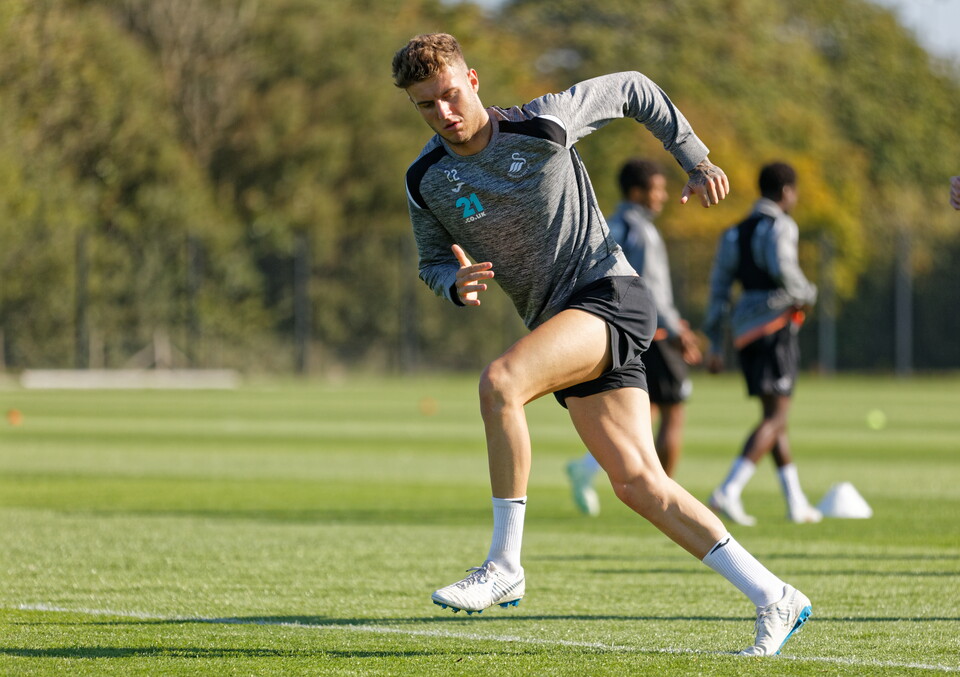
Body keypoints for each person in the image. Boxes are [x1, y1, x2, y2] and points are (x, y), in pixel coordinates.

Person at [393, 33, 811, 656]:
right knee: (639, 484)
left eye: (450, 94)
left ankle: (504, 565)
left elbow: (635, 88)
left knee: (501, 383)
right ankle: (775, 595)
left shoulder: (544, 123)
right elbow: (431, 260)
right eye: (426, 105)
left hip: (610, 295)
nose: (444, 112)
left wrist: (694, 158)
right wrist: (452, 283)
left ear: (472, 80)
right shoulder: (426, 179)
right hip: (561, 324)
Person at [566, 159, 702, 516]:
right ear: (638, 192)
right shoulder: (643, 231)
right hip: (652, 330)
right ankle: (665, 505)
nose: (663, 196)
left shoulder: (607, 224)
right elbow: (651, 288)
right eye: (657, 189)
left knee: (646, 408)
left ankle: (586, 468)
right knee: (674, 412)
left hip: (617, 330)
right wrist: (677, 329)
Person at [702, 161, 822, 526]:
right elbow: (783, 267)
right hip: (773, 327)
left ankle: (796, 502)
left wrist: (715, 343)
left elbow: (719, 289)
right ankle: (729, 489)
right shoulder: (781, 225)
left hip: (744, 331)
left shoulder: (734, 232)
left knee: (773, 417)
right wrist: (807, 294)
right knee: (776, 417)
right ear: (786, 191)